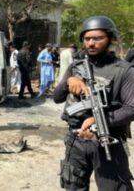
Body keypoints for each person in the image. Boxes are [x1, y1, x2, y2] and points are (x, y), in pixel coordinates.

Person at [53, 15, 134, 190]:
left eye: (97, 38)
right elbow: (57, 97)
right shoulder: (76, 66)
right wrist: (69, 82)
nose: (91, 43)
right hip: (76, 140)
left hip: (108, 141)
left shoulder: (124, 71)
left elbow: (131, 108)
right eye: (87, 39)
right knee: (72, 186)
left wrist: (98, 120)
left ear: (111, 39)